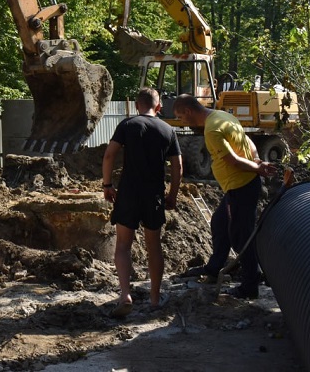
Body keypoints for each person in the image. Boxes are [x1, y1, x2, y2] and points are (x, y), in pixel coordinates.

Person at [172, 94, 277, 299]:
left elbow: (234, 161)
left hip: (241, 186)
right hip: (239, 186)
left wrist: (257, 167)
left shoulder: (212, 129)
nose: (182, 121)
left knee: (241, 236)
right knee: (219, 224)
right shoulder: (222, 116)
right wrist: (256, 160)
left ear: (188, 111)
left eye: (181, 117)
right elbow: (247, 140)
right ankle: (214, 268)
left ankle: (250, 285)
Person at [102, 88, 182, 318]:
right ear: (158, 107)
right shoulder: (168, 129)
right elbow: (177, 166)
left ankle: (125, 294)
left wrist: (107, 185)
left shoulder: (128, 125)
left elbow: (109, 155)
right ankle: (155, 299)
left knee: (123, 246)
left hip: (128, 193)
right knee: (153, 247)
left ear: (137, 106)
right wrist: (173, 195)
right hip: (154, 194)